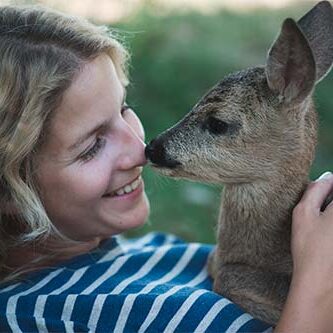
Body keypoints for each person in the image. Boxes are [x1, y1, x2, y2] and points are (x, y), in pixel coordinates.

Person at [0, 4, 332, 333]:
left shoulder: (147, 249)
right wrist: (316, 283)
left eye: (125, 108)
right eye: (92, 147)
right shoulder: (36, 314)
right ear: (8, 191)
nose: (139, 150)